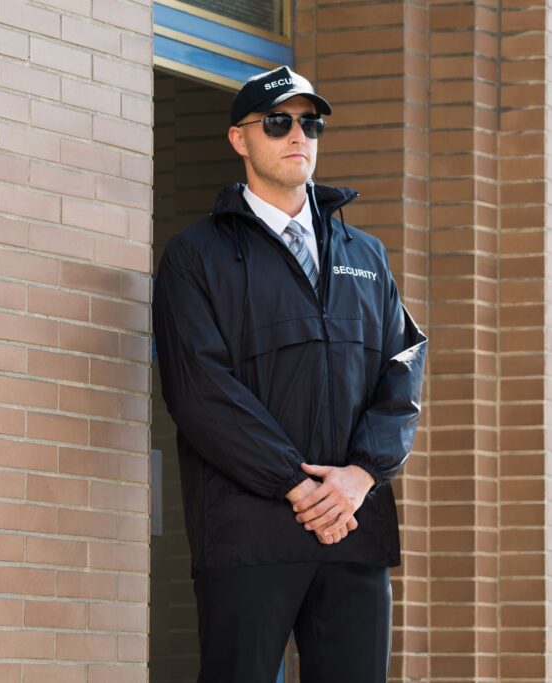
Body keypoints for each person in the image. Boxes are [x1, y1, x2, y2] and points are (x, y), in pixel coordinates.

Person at [153, 65, 427, 683]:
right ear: (239, 140)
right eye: (278, 123)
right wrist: (295, 485)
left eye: (310, 122)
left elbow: (402, 368)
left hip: (352, 528)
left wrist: (360, 475)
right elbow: (200, 390)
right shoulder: (197, 255)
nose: (297, 134)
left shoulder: (366, 255)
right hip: (248, 532)